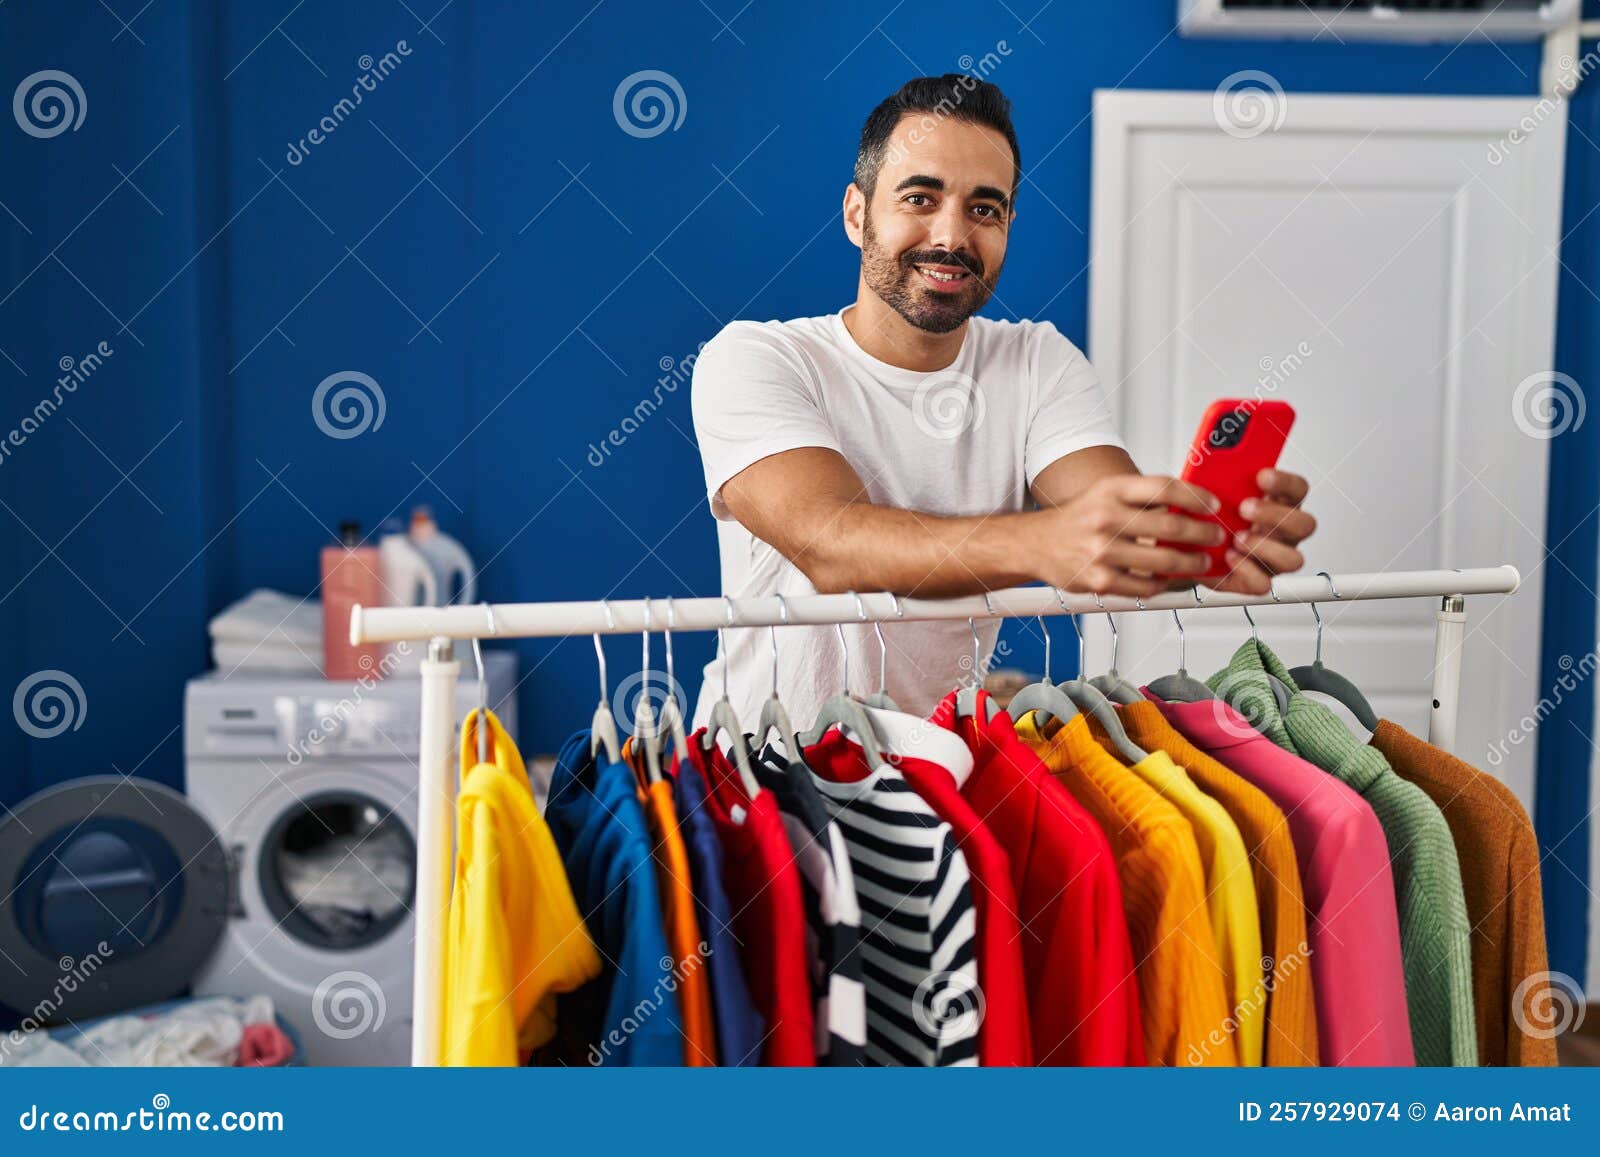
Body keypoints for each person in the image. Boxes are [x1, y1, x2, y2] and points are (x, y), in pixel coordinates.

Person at [690, 74, 1316, 730]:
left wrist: (1204, 543)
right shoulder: (754, 359)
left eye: (984, 209)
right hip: (759, 770)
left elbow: (1116, 529)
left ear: (1008, 225)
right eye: (920, 197)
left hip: (942, 777)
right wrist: (1042, 544)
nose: (952, 236)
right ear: (857, 212)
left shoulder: (1037, 361)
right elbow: (832, 544)